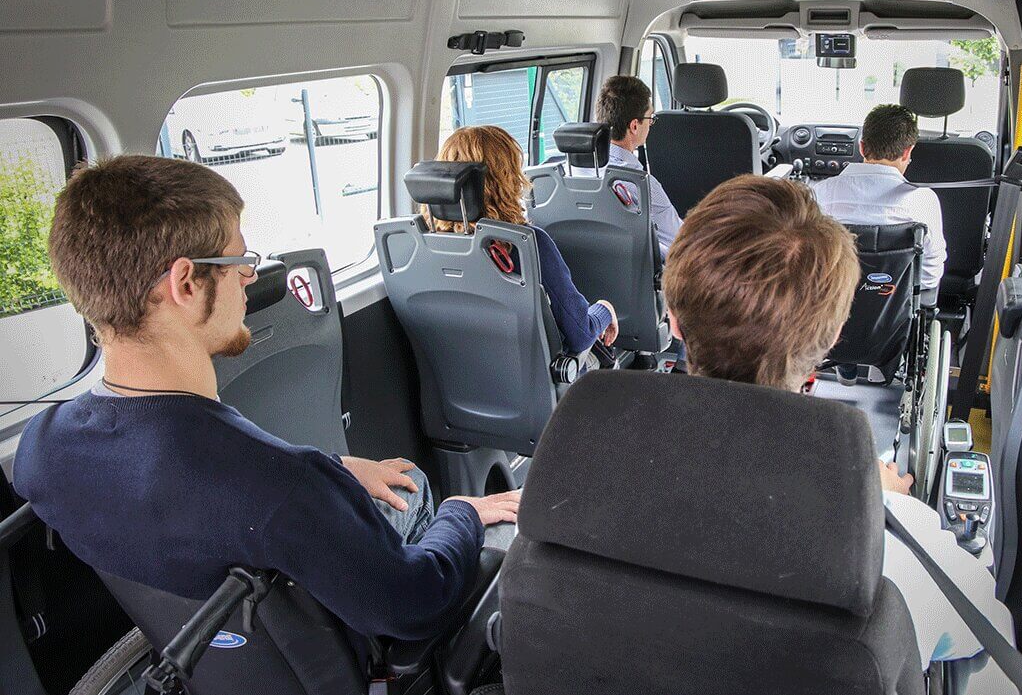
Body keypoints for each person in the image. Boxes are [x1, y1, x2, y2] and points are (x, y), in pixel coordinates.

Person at [14, 155, 520, 643]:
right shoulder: (282, 487)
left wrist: (333, 467)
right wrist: (463, 513)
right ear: (185, 284)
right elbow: (415, 604)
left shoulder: (42, 448)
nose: (251, 279)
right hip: (352, 651)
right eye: (240, 262)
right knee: (421, 490)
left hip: (220, 660)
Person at [662, 174, 1012, 682]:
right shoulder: (883, 542)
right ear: (824, 350)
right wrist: (886, 502)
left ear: (673, 321)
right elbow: (986, 625)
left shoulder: (570, 483)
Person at [430, 125, 618, 356]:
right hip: (540, 386)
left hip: (457, 388)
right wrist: (605, 309)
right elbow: (581, 334)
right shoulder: (526, 244)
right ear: (506, 180)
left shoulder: (422, 252)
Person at [811, 104, 947, 302]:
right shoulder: (923, 201)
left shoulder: (819, 194)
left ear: (862, 147)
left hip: (830, 311)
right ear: (907, 152)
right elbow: (930, 274)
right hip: (896, 318)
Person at [571, 75, 682, 258]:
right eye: (650, 118)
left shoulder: (563, 174)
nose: (651, 124)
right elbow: (680, 242)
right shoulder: (640, 184)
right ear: (634, 126)